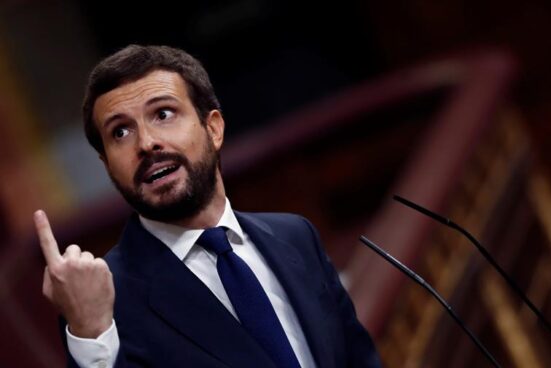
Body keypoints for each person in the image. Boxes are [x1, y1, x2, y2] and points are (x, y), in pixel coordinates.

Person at [35, 45, 381, 368]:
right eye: (120, 133)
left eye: (163, 113)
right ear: (107, 164)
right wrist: (92, 333)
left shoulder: (295, 236)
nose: (147, 142)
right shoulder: (105, 300)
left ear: (213, 128)